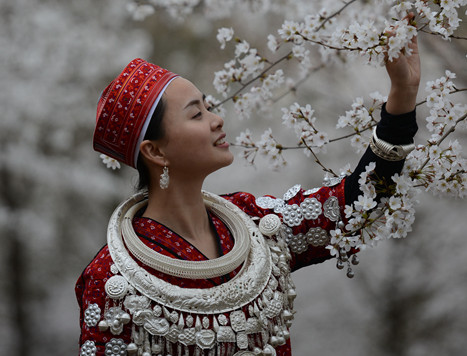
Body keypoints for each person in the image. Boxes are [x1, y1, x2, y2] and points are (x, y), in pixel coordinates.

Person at [76, 36, 420, 356]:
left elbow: (356, 202)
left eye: (209, 107)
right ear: (155, 152)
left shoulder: (256, 225)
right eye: (197, 114)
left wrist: (402, 95)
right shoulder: (112, 278)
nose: (217, 119)